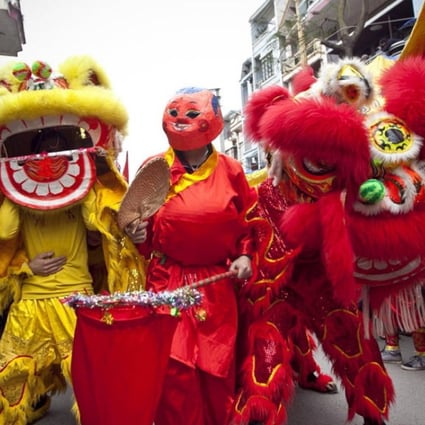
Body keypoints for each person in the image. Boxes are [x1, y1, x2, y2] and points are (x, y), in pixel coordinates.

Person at [0, 56, 144, 424]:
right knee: (10, 386)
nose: (46, 160)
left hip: (75, 302)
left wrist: (98, 170)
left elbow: (108, 228)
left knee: (95, 390)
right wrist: (25, 267)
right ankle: (34, 403)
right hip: (29, 305)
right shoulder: (12, 199)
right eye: (37, 151)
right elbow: (4, 237)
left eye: (57, 148)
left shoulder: (86, 194)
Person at [125, 87, 257, 425]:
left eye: (192, 113)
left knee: (216, 367)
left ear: (211, 122)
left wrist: (245, 255)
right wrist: (137, 236)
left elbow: (249, 223)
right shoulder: (154, 169)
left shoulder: (230, 170)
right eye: (176, 113)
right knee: (173, 368)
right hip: (166, 279)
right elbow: (140, 231)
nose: (183, 119)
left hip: (216, 284)